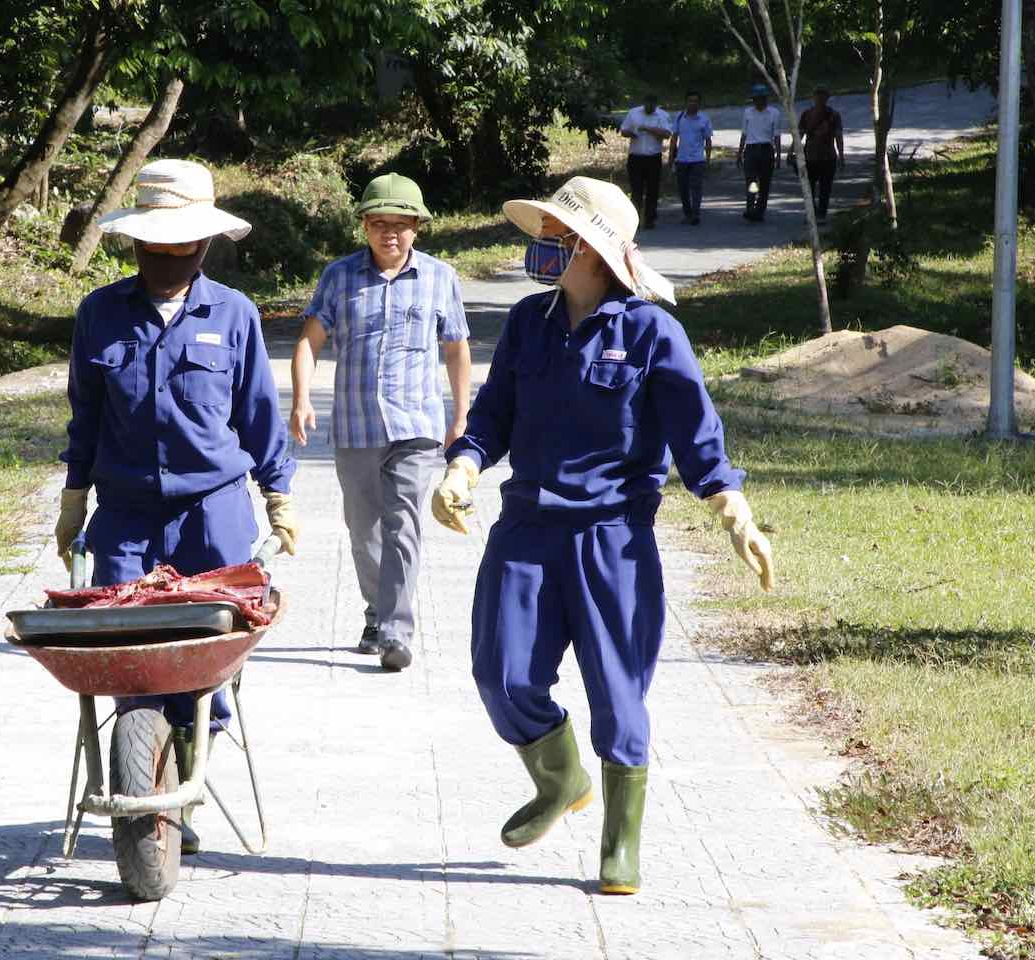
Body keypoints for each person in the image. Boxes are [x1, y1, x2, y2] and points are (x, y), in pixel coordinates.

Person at [429, 177, 775, 895]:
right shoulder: (528, 322)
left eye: (555, 236)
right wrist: (462, 466)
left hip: (612, 537)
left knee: (618, 694)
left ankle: (620, 843)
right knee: (501, 675)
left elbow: (695, 434)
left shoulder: (650, 331)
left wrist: (731, 509)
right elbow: (493, 412)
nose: (542, 246)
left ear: (589, 248)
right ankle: (559, 780)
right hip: (524, 528)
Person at [55, 158, 298, 855]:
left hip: (213, 515)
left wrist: (279, 497)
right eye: (153, 248)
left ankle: (187, 783)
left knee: (208, 670)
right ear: (134, 243)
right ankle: (149, 784)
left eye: (180, 248)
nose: (166, 260)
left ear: (204, 245)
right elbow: (85, 419)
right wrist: (74, 502)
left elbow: (258, 419)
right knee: (130, 663)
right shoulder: (100, 315)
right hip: (126, 518)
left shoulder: (234, 314)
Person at [290, 173, 471, 672]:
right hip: (355, 425)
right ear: (365, 226)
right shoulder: (339, 277)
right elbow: (309, 341)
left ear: (417, 228)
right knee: (363, 529)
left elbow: (456, 348)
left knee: (404, 525)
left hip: (416, 427)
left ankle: (396, 630)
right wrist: (301, 398)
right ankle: (376, 612)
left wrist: (461, 416)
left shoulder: (440, 278)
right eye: (378, 223)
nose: (390, 233)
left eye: (401, 224)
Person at [619, 93, 671, 229]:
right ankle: (634, 219)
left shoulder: (662, 115)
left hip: (653, 157)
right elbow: (623, 131)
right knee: (636, 190)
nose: (650, 107)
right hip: (636, 157)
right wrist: (632, 133)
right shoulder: (633, 113)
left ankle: (650, 219)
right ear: (644, 103)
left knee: (652, 190)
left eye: (652, 105)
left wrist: (648, 129)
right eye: (648, 104)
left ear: (656, 104)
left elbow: (667, 134)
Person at [793, 86, 844, 222]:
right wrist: (792, 151)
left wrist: (841, 156)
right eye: (818, 96)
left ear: (827, 98)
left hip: (828, 157)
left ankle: (821, 214)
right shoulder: (806, 115)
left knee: (825, 188)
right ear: (813, 98)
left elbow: (838, 137)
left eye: (823, 96)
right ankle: (812, 213)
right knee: (809, 188)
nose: (820, 99)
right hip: (810, 157)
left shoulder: (834, 116)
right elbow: (799, 135)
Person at [737, 84, 783, 222]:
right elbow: (744, 133)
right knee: (751, 181)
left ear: (766, 99)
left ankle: (760, 210)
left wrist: (778, 155)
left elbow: (776, 135)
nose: (758, 102)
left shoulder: (774, 113)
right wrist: (739, 152)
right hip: (750, 149)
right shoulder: (748, 112)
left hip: (766, 150)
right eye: (756, 99)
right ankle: (750, 208)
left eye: (761, 99)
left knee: (764, 182)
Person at [668, 90, 713, 225]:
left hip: (697, 160)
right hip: (681, 159)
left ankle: (695, 214)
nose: (692, 103)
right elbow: (674, 138)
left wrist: (708, 158)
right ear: (686, 102)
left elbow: (708, 140)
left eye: (695, 101)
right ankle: (687, 213)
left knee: (696, 188)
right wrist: (671, 157)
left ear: (699, 103)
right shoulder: (680, 117)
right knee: (682, 189)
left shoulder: (704, 119)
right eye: (690, 101)